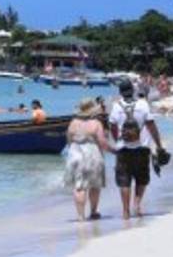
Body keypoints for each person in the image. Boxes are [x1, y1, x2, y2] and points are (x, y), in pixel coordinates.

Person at [109, 80, 166, 219]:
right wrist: (159, 145)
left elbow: (112, 126)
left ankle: (125, 211)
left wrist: (117, 140)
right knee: (141, 178)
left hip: (123, 149)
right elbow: (151, 126)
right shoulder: (142, 104)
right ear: (133, 90)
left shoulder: (116, 106)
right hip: (142, 147)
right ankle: (137, 204)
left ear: (120, 92)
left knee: (124, 180)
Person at [63, 98, 116, 221]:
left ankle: (80, 216)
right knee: (94, 185)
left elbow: (69, 141)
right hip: (92, 153)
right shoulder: (96, 123)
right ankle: (93, 212)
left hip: (75, 154)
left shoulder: (73, 123)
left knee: (79, 186)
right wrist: (114, 151)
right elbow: (103, 143)